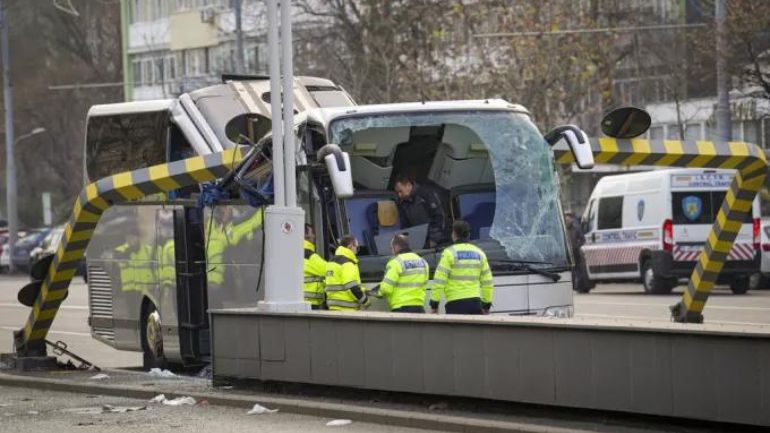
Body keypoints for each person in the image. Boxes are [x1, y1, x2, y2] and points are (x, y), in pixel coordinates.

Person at [430, 220, 494, 315]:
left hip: (455, 303)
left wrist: (434, 304)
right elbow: (487, 282)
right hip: (475, 303)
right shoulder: (479, 253)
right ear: (468, 234)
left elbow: (439, 281)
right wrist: (486, 304)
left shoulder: (449, 253)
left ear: (454, 234)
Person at [370, 233, 429, 313]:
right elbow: (424, 284)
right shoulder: (423, 262)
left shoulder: (396, 262)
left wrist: (377, 293)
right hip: (419, 307)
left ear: (396, 247)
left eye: (391, 248)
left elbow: (386, 288)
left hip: (401, 308)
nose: (391, 251)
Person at [393, 174, 449, 248]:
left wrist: (434, 240)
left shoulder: (426, 194)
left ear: (408, 185)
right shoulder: (403, 204)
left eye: (400, 191)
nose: (399, 195)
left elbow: (440, 217)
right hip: (420, 242)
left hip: (438, 242)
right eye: (397, 193)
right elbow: (406, 226)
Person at [324, 234, 368, 311]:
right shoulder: (348, 263)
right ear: (350, 246)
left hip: (333, 308)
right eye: (357, 248)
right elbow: (351, 286)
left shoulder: (330, 262)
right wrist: (365, 301)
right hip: (347, 309)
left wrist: (362, 289)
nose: (357, 251)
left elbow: (338, 283)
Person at [564, 212, 590, 292]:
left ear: (571, 220)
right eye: (566, 220)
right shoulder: (564, 229)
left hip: (575, 252)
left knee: (578, 269)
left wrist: (577, 245)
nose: (567, 221)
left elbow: (582, 239)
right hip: (568, 252)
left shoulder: (576, 228)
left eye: (569, 220)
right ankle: (572, 286)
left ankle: (580, 286)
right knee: (571, 269)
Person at [303, 224, 327, 309]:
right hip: (310, 302)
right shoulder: (310, 256)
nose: (314, 236)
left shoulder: (293, 252)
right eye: (312, 232)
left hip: (300, 300)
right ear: (306, 235)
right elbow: (328, 271)